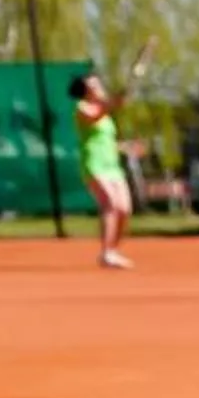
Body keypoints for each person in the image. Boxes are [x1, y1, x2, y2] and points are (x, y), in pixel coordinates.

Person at [70, 70, 133, 269]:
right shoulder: (82, 108)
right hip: (94, 164)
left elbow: (107, 140)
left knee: (124, 209)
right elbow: (95, 116)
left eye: (99, 85)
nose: (99, 89)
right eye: (93, 86)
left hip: (112, 165)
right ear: (86, 92)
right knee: (110, 203)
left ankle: (113, 251)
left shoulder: (106, 117)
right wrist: (114, 102)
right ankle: (106, 253)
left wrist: (126, 147)